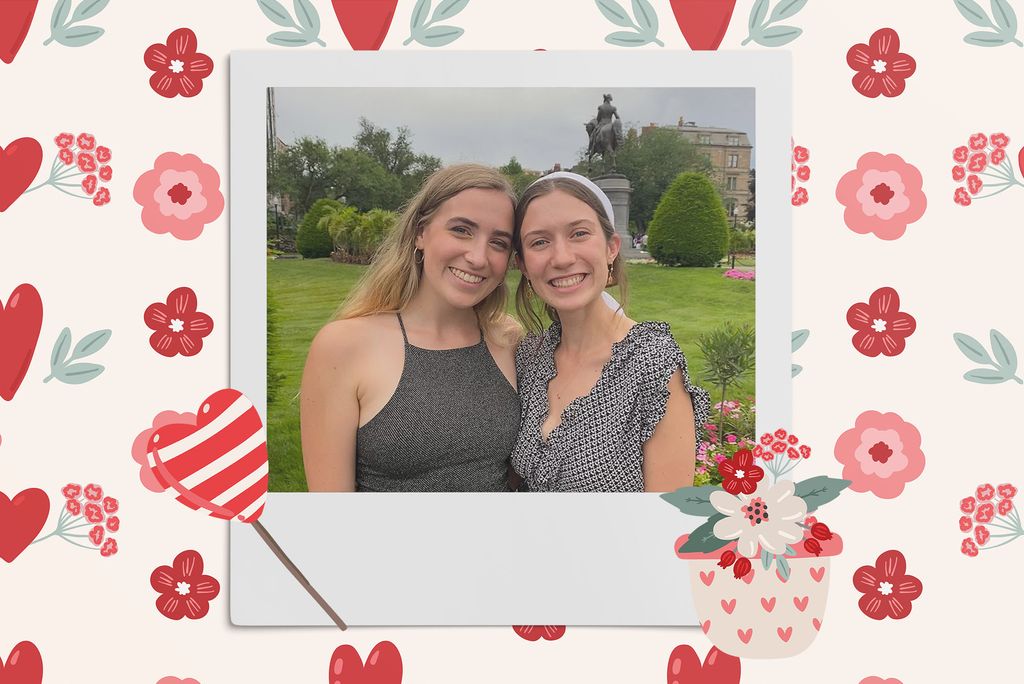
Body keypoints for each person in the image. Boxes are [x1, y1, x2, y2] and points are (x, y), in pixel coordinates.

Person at [300, 164, 521, 492]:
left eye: (499, 243)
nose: (478, 257)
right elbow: (331, 513)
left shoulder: (508, 339)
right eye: (461, 230)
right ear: (420, 232)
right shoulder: (344, 346)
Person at [511, 172, 710, 493]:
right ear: (522, 264)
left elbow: (666, 517)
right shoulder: (530, 356)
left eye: (579, 234)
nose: (561, 258)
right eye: (540, 242)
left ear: (611, 247)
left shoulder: (651, 364)